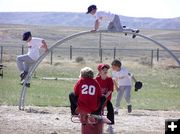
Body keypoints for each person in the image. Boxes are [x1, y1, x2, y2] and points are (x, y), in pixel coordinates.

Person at [95, 63, 114, 134]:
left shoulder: (109, 79)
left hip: (107, 98)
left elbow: (110, 90)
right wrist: (100, 97)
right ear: (100, 71)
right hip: (99, 99)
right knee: (99, 109)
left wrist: (104, 97)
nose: (105, 70)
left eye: (106, 69)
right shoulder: (97, 79)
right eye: (103, 69)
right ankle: (98, 121)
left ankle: (110, 124)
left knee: (110, 109)